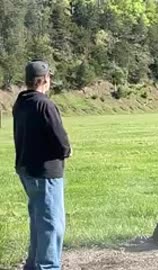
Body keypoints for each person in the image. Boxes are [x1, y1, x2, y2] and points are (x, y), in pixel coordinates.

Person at [13, 60, 72, 270]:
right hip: (45, 172)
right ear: (45, 79)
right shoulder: (44, 104)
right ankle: (47, 266)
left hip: (27, 169)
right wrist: (67, 151)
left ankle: (33, 264)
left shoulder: (21, 102)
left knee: (38, 221)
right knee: (51, 224)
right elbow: (59, 138)